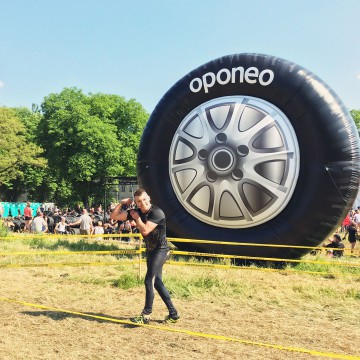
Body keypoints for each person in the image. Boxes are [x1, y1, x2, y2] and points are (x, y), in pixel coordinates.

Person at [110, 188, 180, 325]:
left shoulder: (156, 212)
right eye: (139, 202)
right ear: (135, 202)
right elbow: (114, 217)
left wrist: (136, 219)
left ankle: (145, 315)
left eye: (144, 200)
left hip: (161, 250)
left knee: (149, 280)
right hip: (151, 251)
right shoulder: (135, 212)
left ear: (148, 198)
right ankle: (173, 313)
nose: (142, 203)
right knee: (157, 283)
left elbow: (146, 230)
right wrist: (121, 203)